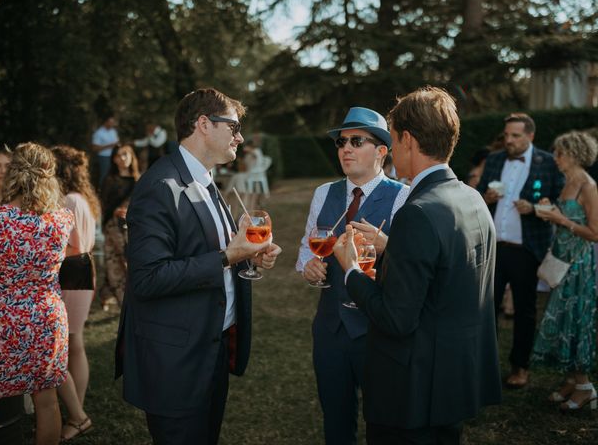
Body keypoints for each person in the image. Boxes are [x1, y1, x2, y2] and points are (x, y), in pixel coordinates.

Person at [333, 87, 501, 445]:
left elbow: (396, 318)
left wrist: (350, 270)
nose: (392, 150)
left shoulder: (417, 212)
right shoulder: (472, 199)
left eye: (392, 140)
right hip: (454, 383)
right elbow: (449, 275)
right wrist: (393, 254)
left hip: (412, 394)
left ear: (407, 139)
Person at [114, 88, 282, 445]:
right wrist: (228, 257)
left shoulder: (207, 181)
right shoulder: (159, 186)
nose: (239, 136)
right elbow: (147, 278)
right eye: (233, 127)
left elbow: (207, 251)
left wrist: (247, 256)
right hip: (177, 362)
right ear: (203, 124)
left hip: (213, 349)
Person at [295, 107, 409, 445]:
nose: (346, 148)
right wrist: (309, 268)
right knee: (336, 416)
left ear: (381, 151)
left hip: (377, 330)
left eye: (356, 141)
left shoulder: (402, 196)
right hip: (330, 327)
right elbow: (307, 249)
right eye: (341, 142)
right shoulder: (323, 193)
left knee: (383, 420)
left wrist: (386, 244)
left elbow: (411, 264)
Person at [0, 142, 74, 445]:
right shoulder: (62, 220)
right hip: (48, 318)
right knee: (46, 400)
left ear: (13, 174)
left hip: (5, 321)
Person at [477, 113, 565, 388]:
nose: (509, 140)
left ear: (530, 136)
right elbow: (478, 196)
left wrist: (536, 209)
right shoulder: (493, 160)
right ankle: (483, 365)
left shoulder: (548, 163)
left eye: (515, 136)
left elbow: (561, 205)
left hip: (527, 248)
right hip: (493, 247)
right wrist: (486, 197)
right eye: (507, 135)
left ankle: (520, 366)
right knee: (484, 308)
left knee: (525, 311)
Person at [531, 130, 598, 411]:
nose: (555, 158)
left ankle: (585, 387)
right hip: (562, 260)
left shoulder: (588, 186)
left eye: (560, 153)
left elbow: (594, 232)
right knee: (562, 319)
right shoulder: (567, 181)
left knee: (576, 321)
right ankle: (573, 379)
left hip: (579, 264)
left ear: (574, 155)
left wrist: (559, 218)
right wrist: (550, 210)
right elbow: (567, 218)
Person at [52, 145, 101, 440]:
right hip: (83, 270)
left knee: (69, 343)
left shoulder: (69, 199)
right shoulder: (83, 197)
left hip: (72, 270)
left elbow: (75, 244)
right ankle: (76, 408)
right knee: (74, 342)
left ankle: (76, 413)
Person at [99, 143, 140, 311]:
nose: (123, 158)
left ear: (132, 156)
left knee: (128, 262)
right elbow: (104, 206)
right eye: (119, 155)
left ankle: (109, 293)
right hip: (114, 227)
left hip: (133, 227)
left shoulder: (139, 180)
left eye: (126, 154)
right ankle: (124, 300)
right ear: (114, 159)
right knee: (120, 261)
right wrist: (116, 211)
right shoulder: (110, 180)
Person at [92, 112, 120, 188]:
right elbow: (95, 148)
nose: (113, 124)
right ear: (106, 122)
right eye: (111, 122)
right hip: (104, 157)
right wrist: (109, 146)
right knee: (105, 175)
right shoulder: (99, 133)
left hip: (114, 156)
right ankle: (102, 191)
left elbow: (116, 142)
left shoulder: (113, 131)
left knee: (114, 175)